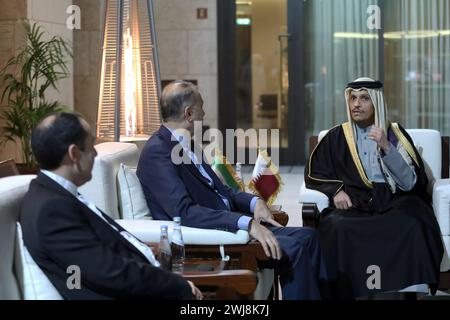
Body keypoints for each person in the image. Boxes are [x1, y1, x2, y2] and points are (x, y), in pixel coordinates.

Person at [137, 80, 327, 300]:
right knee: (295, 248)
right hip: (218, 234)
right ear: (189, 113)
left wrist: (255, 203)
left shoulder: (188, 145)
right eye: (201, 107)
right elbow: (184, 212)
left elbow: (224, 192)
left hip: (233, 223)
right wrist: (246, 224)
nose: (205, 113)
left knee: (310, 236)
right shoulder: (157, 152)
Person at [20, 112, 202, 300]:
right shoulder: (52, 209)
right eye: (91, 146)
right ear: (74, 153)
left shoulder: (59, 194)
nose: (95, 153)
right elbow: (109, 272)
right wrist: (178, 286)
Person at [305, 77, 443, 299]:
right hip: (356, 201)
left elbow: (410, 183)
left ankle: (410, 290)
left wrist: (387, 147)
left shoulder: (394, 134)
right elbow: (314, 173)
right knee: (336, 226)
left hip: (395, 200)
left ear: (376, 102)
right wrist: (336, 191)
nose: (356, 104)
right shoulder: (336, 137)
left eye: (364, 98)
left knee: (414, 223)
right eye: (353, 98)